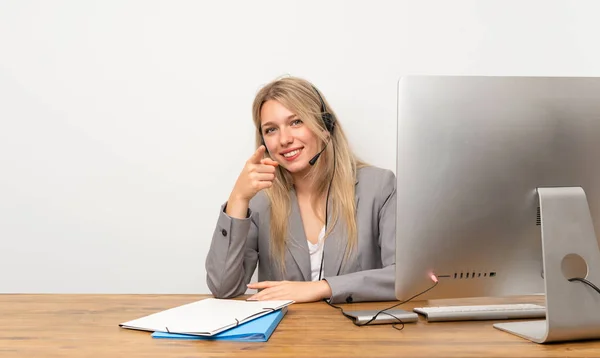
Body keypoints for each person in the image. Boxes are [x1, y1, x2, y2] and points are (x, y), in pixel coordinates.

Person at [205, 76, 396, 304]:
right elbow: (223, 288)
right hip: (285, 336)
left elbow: (407, 277)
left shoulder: (379, 187)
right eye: (271, 130)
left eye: (296, 122)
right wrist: (238, 198)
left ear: (325, 126)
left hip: (359, 336)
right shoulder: (259, 202)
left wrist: (323, 288)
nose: (284, 140)